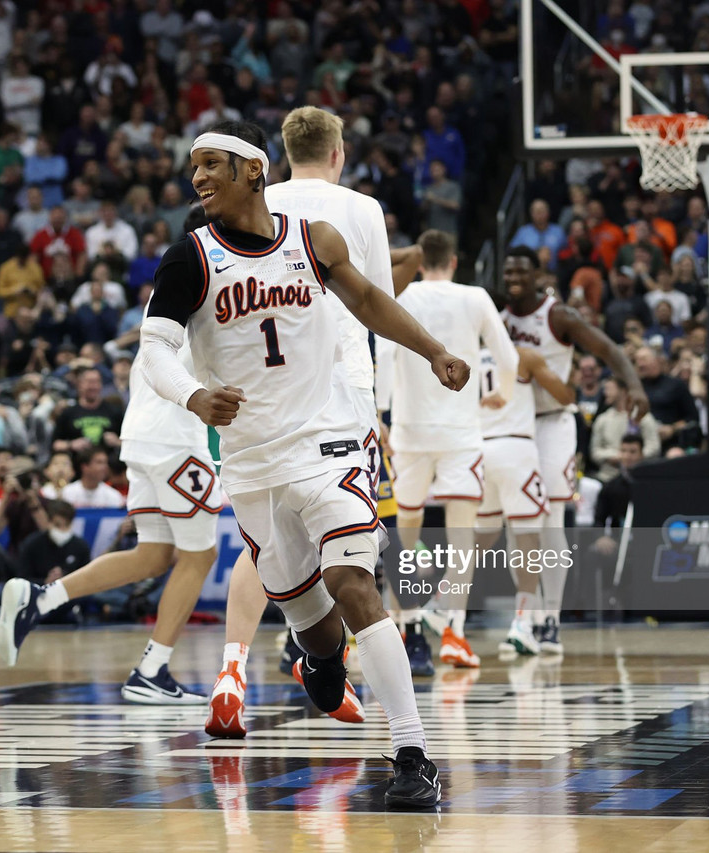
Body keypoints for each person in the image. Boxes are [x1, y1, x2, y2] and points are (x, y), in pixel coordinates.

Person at [136, 121, 468, 808]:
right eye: (193, 167)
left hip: (331, 437)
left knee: (354, 581)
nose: (198, 177)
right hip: (254, 461)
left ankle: (411, 752)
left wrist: (433, 350)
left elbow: (373, 301)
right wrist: (194, 393)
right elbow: (155, 351)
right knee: (313, 622)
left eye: (212, 165)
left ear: (254, 170)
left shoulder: (312, 239)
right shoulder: (188, 258)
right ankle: (319, 654)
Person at [204, 106, 391, 727]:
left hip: (264, 397)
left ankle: (237, 665)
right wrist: (382, 407)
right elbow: (378, 308)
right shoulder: (361, 209)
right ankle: (332, 657)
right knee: (351, 554)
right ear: (339, 153)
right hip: (342, 398)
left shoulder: (259, 202)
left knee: (267, 539)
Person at [0, 339, 222, 704]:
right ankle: (152, 671)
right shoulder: (209, 286)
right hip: (177, 439)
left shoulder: (163, 296)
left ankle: (40, 599)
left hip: (139, 437)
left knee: (153, 555)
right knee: (200, 555)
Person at [380, 228, 517, 672]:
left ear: (420, 263)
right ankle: (454, 631)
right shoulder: (476, 297)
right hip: (460, 432)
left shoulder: (404, 294)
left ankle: (405, 620)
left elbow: (383, 357)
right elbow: (508, 357)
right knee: (462, 536)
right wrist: (504, 394)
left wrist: (380, 412)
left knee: (406, 530)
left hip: (410, 431)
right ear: (455, 261)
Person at [501, 245, 648, 654]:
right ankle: (526, 619)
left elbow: (608, 349)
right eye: (507, 272)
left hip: (553, 424)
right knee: (519, 526)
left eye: (520, 272)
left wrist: (634, 385)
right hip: (512, 427)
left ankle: (551, 619)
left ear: (537, 275)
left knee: (550, 522)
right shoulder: (495, 313)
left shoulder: (558, 315)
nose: (512, 279)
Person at [476, 346, 574, 656]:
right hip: (519, 444)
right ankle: (528, 620)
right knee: (528, 531)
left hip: (487, 444)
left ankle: (546, 619)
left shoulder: (463, 352)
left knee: (508, 529)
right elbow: (567, 394)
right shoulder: (524, 354)